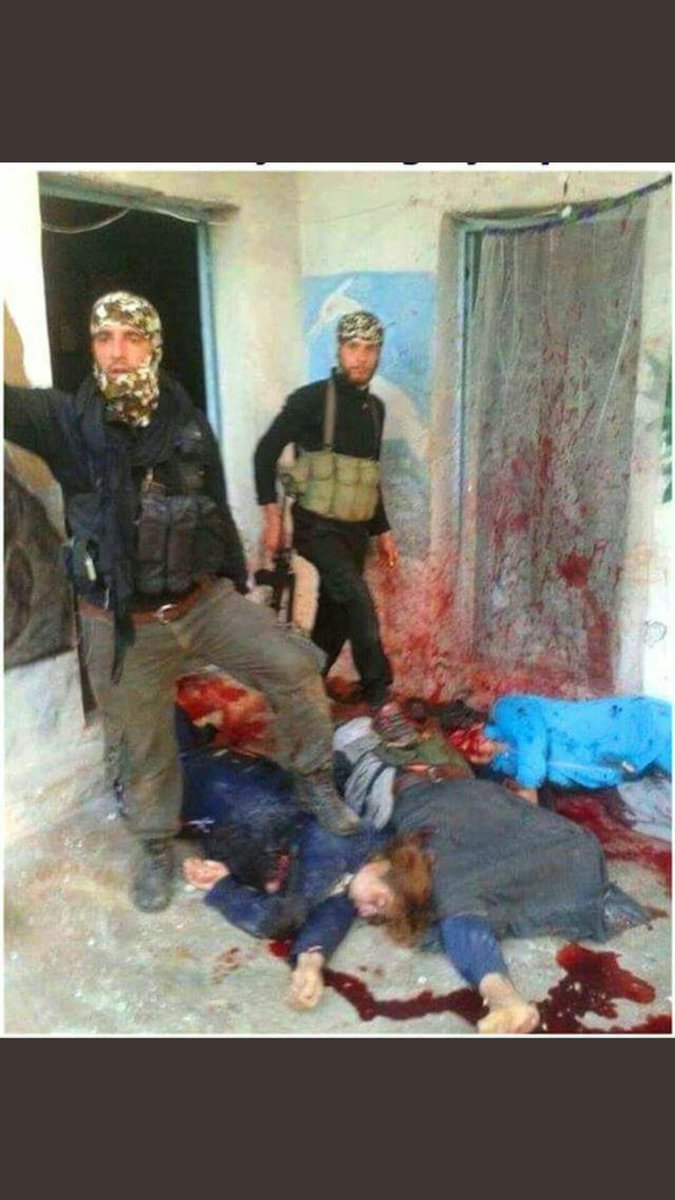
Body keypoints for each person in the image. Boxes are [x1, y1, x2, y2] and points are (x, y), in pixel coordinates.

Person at [3, 291, 360, 914]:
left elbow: (215, 505)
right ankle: (153, 843)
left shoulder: (185, 419)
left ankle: (313, 777)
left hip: (201, 603)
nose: (117, 352)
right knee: (144, 744)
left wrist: (235, 583)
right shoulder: (63, 421)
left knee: (296, 665)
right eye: (104, 338)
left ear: (153, 344)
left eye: (131, 337)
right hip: (122, 621)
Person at [333, 716, 651, 1033]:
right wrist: (501, 996)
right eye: (369, 907)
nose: (362, 909)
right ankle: (508, 1001)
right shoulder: (438, 868)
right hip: (574, 852)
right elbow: (465, 931)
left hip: (567, 858)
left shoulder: (419, 850)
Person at [254, 310, 417, 748]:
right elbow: (265, 452)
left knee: (337, 619)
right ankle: (381, 700)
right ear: (339, 350)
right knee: (358, 601)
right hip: (317, 529)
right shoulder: (310, 401)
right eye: (352, 347)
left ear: (379, 353)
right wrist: (272, 518)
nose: (360, 358)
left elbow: (368, 477)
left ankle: (299, 693)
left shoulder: (375, 410)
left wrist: (383, 532)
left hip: (354, 534)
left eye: (369, 349)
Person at [450, 694, 672, 806]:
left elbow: (532, 736)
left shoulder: (505, 709)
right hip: (630, 763)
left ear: (476, 725)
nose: (474, 748)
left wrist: (527, 786)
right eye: (468, 753)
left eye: (470, 738)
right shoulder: (506, 767)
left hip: (644, 724)